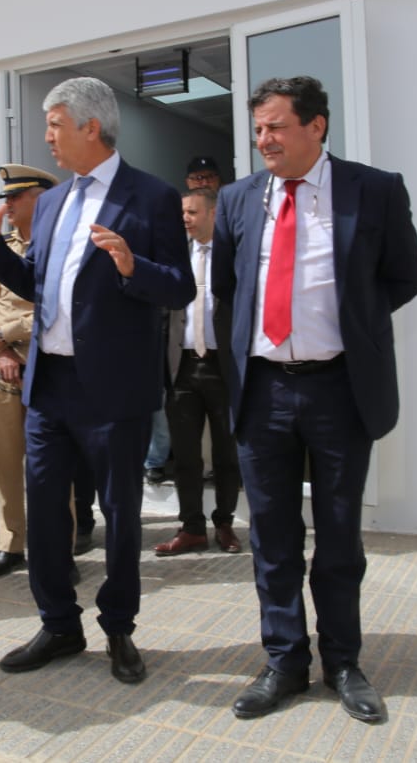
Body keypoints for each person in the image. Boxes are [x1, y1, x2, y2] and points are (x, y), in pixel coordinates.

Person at [0, 76, 193, 684]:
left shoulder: (152, 197)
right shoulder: (54, 202)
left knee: (120, 515)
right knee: (45, 511)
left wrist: (132, 266)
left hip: (114, 390)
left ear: (92, 127)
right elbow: (37, 282)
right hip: (50, 386)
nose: (48, 137)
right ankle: (59, 624)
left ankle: (119, 627)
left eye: (55, 125)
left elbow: (180, 286)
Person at [211, 76, 417, 722]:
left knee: (338, 537)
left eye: (276, 126)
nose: (264, 140)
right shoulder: (237, 199)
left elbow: (405, 277)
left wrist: (351, 324)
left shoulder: (374, 190)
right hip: (264, 390)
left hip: (339, 389)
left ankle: (343, 662)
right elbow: (227, 290)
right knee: (271, 538)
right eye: (258, 129)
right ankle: (284, 661)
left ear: (316, 125)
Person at [0, 164, 58, 578]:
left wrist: (7, 333)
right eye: (6, 197)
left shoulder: (57, 246)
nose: (7, 205)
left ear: (41, 199)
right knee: (6, 459)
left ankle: (58, 547)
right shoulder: (0, 248)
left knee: (53, 463)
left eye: (16, 197)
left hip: (47, 361)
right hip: (2, 368)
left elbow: (55, 308)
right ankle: (11, 542)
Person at [154, 186, 243, 557]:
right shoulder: (177, 256)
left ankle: (224, 523)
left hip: (223, 367)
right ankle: (191, 528)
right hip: (183, 367)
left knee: (226, 454)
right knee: (186, 455)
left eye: (192, 212)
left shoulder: (233, 256)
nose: (185, 219)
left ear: (213, 213)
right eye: (182, 213)